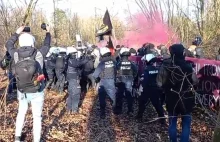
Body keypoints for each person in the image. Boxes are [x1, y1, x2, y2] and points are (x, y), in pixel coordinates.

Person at [5, 25, 51, 142]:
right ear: (32, 42)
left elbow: (8, 45)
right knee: (37, 117)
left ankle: (17, 138)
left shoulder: (15, 54)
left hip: (22, 91)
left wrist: (16, 33)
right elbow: (47, 45)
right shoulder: (39, 53)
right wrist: (48, 32)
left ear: (20, 43)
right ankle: (36, 139)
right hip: (37, 90)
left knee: (21, 114)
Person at [157, 44, 198, 142]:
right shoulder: (188, 66)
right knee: (186, 123)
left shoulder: (166, 66)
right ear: (182, 53)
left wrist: (165, 88)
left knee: (172, 122)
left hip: (172, 98)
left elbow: (159, 82)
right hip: (186, 98)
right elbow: (195, 81)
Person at [136, 54, 165, 124]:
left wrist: (140, 89)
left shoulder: (146, 70)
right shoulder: (157, 69)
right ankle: (162, 118)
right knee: (157, 104)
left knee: (142, 103)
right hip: (155, 89)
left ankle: (139, 116)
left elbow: (144, 81)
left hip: (146, 89)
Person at [93, 47, 116, 119]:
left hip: (103, 82)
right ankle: (114, 110)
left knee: (102, 98)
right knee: (113, 96)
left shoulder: (102, 63)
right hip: (112, 81)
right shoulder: (113, 61)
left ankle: (102, 113)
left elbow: (95, 75)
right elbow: (116, 71)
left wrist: (97, 80)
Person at [114, 47, 138, 115]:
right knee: (129, 96)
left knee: (119, 95)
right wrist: (132, 78)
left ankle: (118, 110)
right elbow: (136, 72)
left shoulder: (118, 64)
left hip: (120, 82)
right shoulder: (132, 64)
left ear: (121, 55)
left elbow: (115, 72)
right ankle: (130, 110)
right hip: (129, 82)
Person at [66, 47, 88, 114]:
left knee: (71, 94)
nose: (75, 55)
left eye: (75, 53)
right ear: (69, 54)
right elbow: (78, 64)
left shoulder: (69, 60)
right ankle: (74, 110)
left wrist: (83, 56)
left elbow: (79, 63)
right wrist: (86, 59)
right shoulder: (72, 61)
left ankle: (69, 109)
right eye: (73, 54)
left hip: (71, 79)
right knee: (76, 94)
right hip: (74, 79)